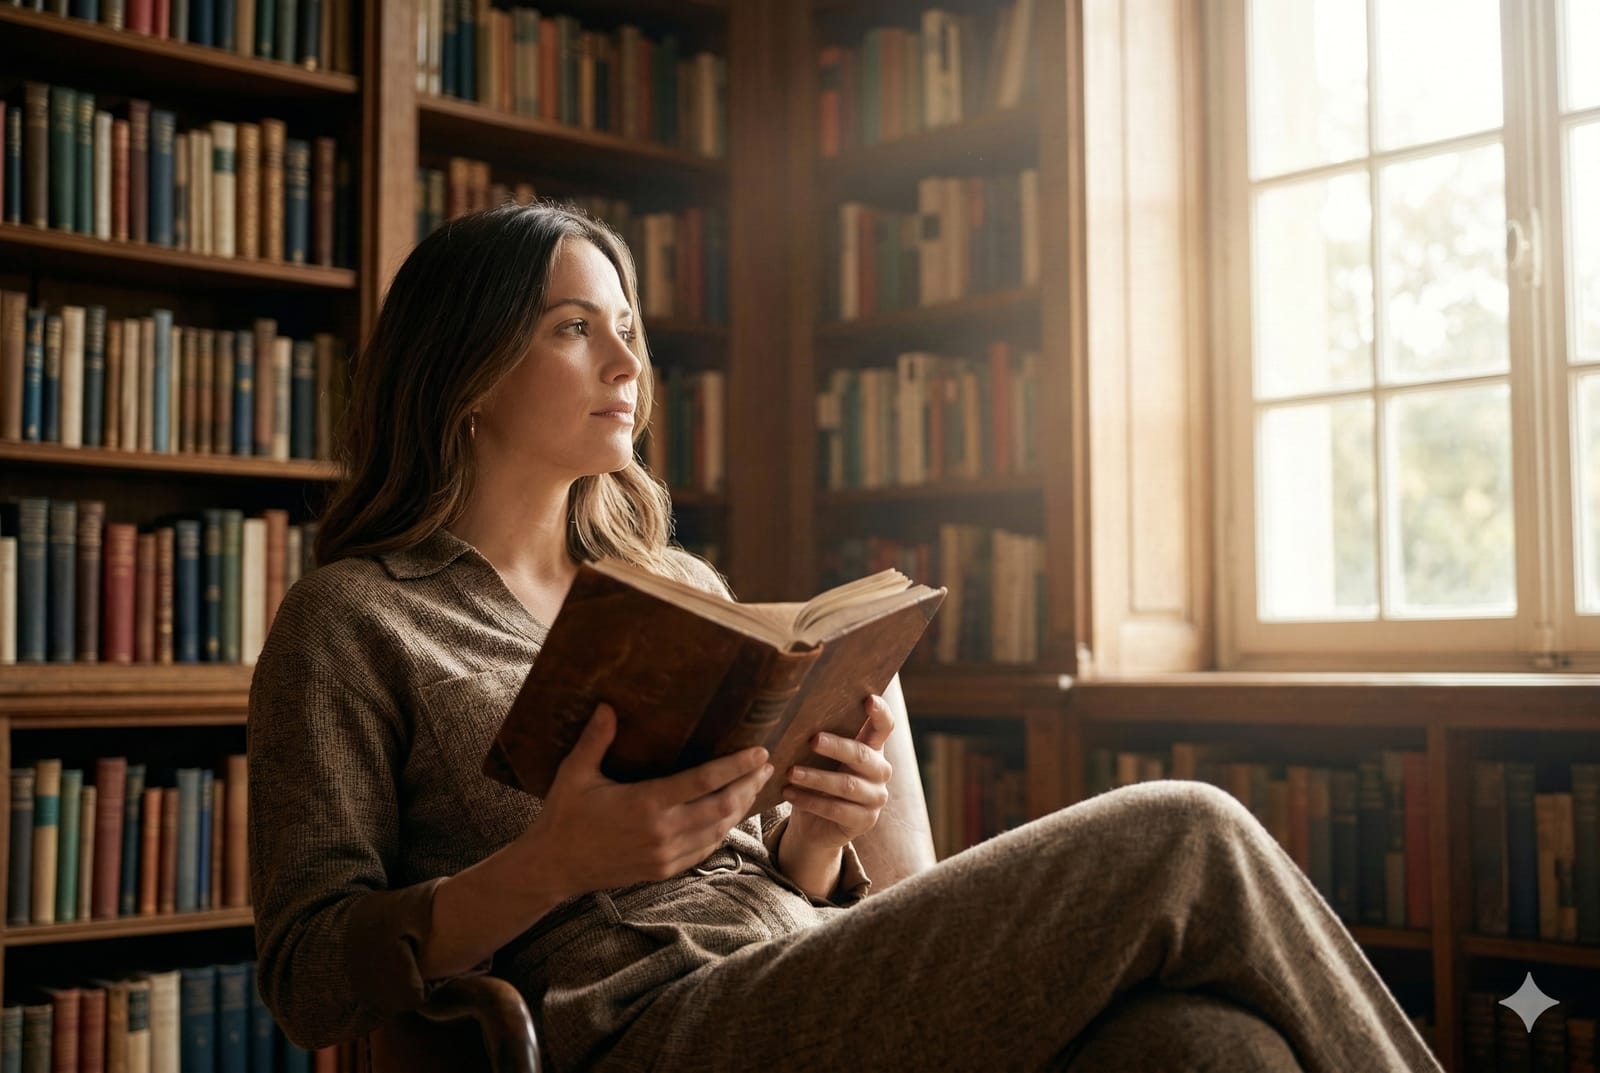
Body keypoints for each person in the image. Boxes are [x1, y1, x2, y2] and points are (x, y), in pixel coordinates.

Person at [247, 202, 1445, 1073]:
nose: (626, 364)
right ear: (465, 366)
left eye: (629, 331)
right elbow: (308, 976)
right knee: (1184, 828)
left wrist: (817, 834)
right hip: (640, 1027)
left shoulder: (669, 587)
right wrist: (555, 861)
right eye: (574, 329)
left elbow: (778, 878)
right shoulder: (357, 619)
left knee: (1206, 1048)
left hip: (801, 965)